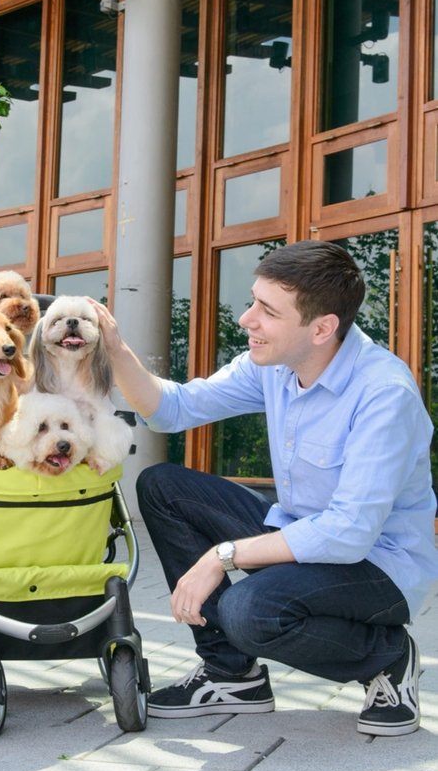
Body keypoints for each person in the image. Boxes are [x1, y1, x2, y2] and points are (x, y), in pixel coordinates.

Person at [91, 240, 438, 737]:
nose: (246, 319)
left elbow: (348, 534)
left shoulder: (384, 394)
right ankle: (233, 675)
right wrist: (114, 348)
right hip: (303, 535)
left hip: (379, 568)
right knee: (163, 486)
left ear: (322, 328)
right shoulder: (275, 365)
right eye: (253, 300)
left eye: (267, 310)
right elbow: (173, 409)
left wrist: (221, 557)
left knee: (250, 610)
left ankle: (387, 658)